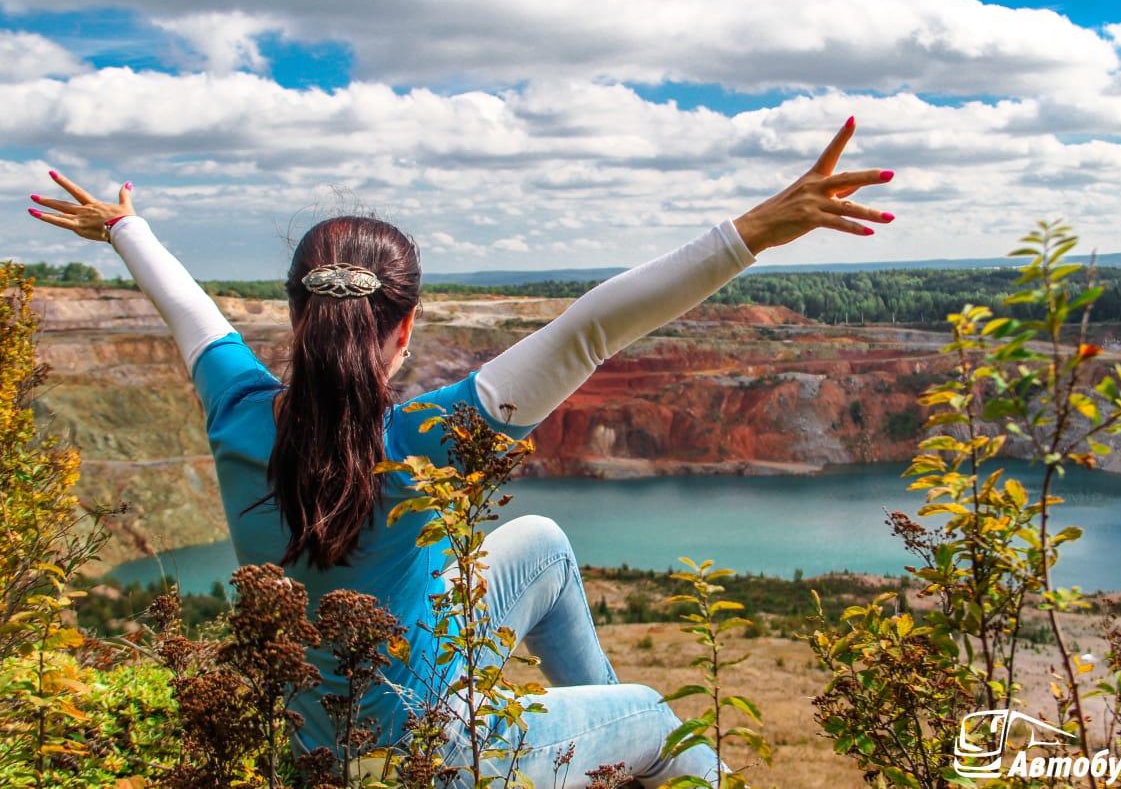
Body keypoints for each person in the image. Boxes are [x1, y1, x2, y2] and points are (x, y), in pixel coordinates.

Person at [28, 118, 893, 787]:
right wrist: (752, 230)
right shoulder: (427, 440)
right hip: (429, 759)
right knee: (658, 718)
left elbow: (188, 311)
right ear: (403, 333)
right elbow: (592, 329)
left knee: (544, 545)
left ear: (296, 319)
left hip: (306, 745)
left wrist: (123, 229)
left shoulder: (238, 413)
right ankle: (617, 760)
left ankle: (591, 760)